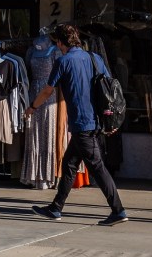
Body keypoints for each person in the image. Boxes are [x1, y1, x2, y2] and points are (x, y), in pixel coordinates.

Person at [25, 23, 128, 226]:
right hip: (96, 121)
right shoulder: (94, 58)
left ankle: (118, 210)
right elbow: (110, 89)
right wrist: (111, 120)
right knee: (70, 164)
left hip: (82, 123)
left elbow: (48, 91)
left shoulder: (63, 61)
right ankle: (56, 208)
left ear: (60, 42)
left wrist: (32, 108)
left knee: (97, 168)